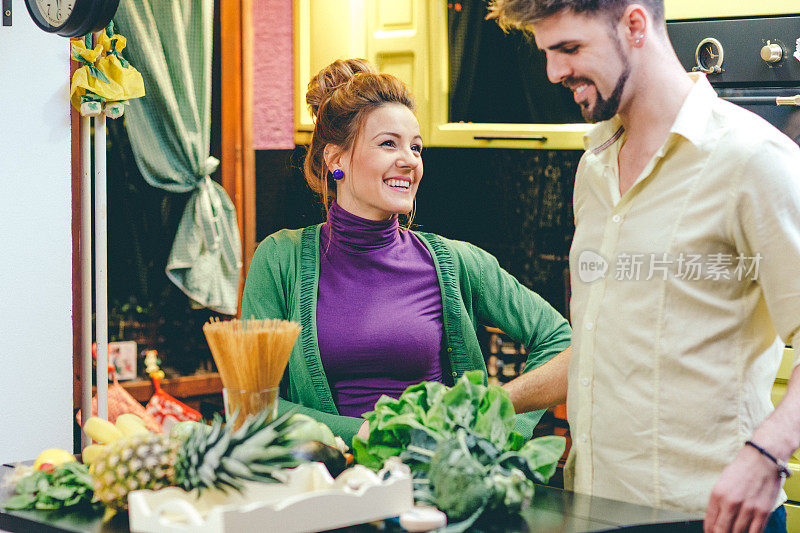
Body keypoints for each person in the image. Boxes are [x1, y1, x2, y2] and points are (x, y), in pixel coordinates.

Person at [489, 1, 800, 532]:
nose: (553, 73)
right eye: (547, 53)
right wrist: (489, 404)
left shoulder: (753, 160)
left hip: (707, 515)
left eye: (569, 48)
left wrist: (764, 455)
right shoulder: (594, 167)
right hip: (593, 506)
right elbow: (605, 347)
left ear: (634, 25)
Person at [240, 58, 572, 445]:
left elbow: (558, 341)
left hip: (432, 486)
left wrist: (498, 431)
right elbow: (253, 403)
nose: (410, 161)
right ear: (336, 159)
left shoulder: (456, 262)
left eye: (415, 147)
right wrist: (365, 433)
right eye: (388, 144)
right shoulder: (280, 260)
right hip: (324, 483)